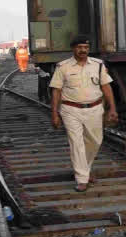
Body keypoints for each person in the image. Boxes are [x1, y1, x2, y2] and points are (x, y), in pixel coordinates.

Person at [49, 35, 118, 192]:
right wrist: (54, 114)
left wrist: (112, 108)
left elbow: (106, 87)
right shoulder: (63, 67)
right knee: (77, 143)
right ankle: (82, 179)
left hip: (95, 108)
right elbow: (56, 91)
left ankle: (84, 171)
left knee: (95, 141)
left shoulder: (98, 65)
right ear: (73, 49)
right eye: (80, 47)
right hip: (70, 110)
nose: (83, 50)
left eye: (86, 48)